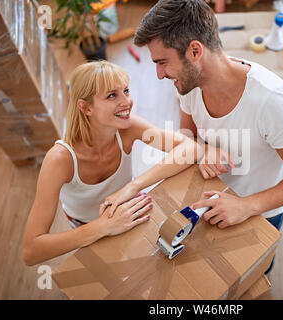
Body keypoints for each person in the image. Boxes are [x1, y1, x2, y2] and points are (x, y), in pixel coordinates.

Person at [134, 0, 283, 273]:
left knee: (253, 277)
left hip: (258, 211)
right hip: (206, 198)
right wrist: (202, 150)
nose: (158, 74)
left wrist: (246, 206)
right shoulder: (188, 85)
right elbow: (187, 138)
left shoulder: (272, 102)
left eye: (162, 62)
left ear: (194, 51)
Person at [22, 61, 202, 266]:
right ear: (86, 107)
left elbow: (192, 149)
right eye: (111, 95)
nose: (127, 101)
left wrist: (132, 187)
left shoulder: (128, 127)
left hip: (131, 204)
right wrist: (104, 226)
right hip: (88, 225)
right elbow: (31, 251)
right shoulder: (59, 160)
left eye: (126, 91)